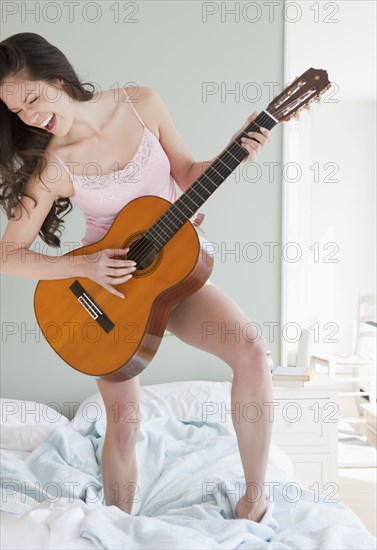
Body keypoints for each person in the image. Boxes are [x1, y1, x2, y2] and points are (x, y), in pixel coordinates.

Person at [0, 32, 272, 522]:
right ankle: (117, 525)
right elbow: (8, 255)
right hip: (106, 297)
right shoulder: (53, 167)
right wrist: (82, 265)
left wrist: (237, 150)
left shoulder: (141, 104)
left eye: (34, 99)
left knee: (252, 351)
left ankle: (255, 500)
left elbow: (187, 173)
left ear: (58, 78)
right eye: (18, 112)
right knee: (124, 423)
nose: (31, 118)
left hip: (173, 275)